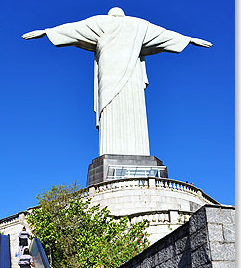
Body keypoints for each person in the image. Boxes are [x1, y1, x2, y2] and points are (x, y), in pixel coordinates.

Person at [22, 8, 212, 157]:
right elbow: (164, 34)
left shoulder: (100, 22)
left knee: (123, 108)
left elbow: (74, 28)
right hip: (117, 75)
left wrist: (47, 32)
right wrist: (189, 39)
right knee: (115, 110)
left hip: (116, 75)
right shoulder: (139, 25)